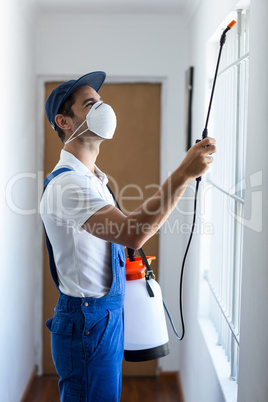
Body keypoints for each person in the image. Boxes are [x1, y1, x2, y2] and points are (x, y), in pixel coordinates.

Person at [40, 71, 216, 401]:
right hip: (87, 321)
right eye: (90, 104)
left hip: (103, 316)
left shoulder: (94, 179)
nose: (103, 109)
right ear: (64, 121)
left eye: (102, 102)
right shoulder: (69, 185)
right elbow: (132, 233)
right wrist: (182, 174)